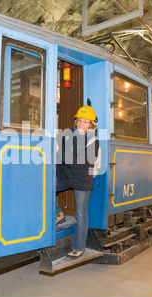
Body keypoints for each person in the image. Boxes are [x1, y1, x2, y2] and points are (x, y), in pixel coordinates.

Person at [56, 106, 101, 258]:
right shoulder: (69, 135)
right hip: (67, 176)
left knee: (81, 214)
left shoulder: (93, 141)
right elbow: (62, 157)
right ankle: (59, 214)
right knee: (45, 188)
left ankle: (79, 247)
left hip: (82, 179)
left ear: (91, 125)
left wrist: (59, 152)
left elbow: (78, 163)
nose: (82, 125)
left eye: (86, 122)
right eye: (80, 121)